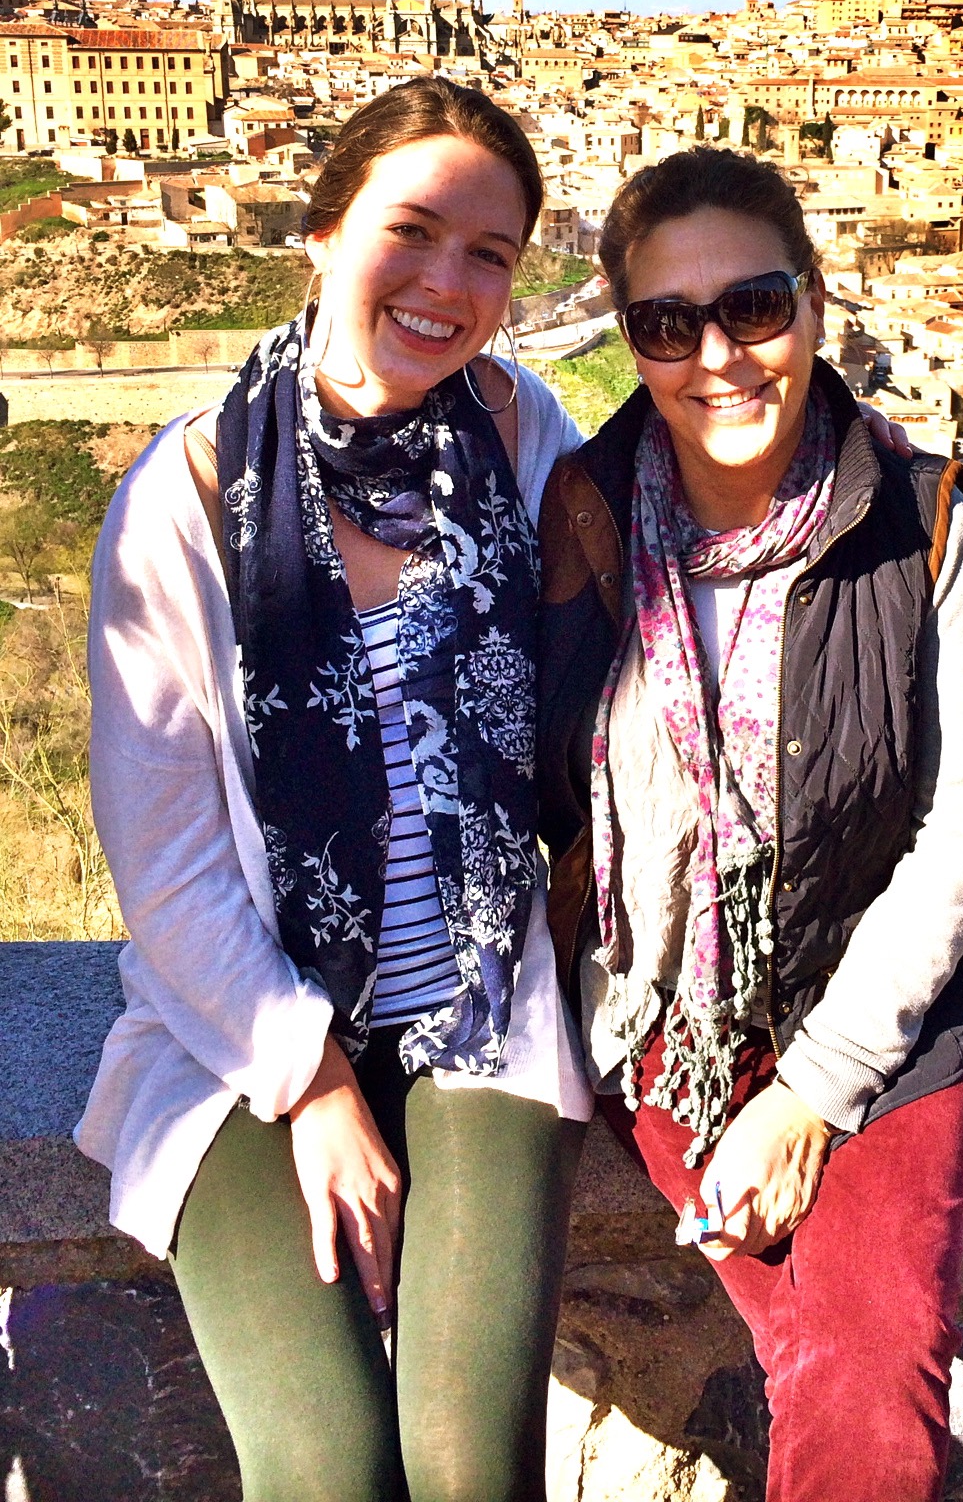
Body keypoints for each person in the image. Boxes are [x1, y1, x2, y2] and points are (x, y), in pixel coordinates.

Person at [76, 79, 597, 1502]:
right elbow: (166, 861)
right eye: (409, 231)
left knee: (468, 1468)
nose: (446, 284)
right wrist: (310, 1085)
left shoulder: (525, 435)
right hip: (240, 1025)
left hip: (477, 996)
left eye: (488, 254)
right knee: (326, 1466)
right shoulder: (185, 497)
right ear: (320, 233)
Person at [536, 147, 963, 1502]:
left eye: (752, 306)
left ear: (813, 302)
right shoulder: (579, 514)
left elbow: (959, 846)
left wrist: (809, 1094)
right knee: (832, 1375)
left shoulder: (921, 521)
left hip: (882, 1022)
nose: (718, 358)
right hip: (655, 1031)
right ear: (630, 339)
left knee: (866, 1380)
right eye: (666, 323)